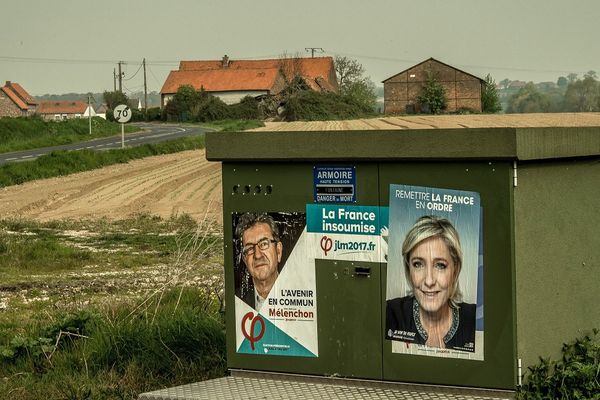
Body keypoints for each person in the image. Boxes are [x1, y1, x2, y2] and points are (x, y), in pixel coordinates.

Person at [386, 215, 476, 352]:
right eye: (418, 264)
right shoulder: (390, 313)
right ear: (408, 268)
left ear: (455, 270)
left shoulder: (474, 319)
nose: (429, 281)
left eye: (440, 265)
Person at [235, 213, 283, 310]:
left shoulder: (302, 294)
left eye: (264, 244)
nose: (257, 255)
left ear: (278, 251)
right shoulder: (235, 301)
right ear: (245, 260)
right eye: (249, 249)